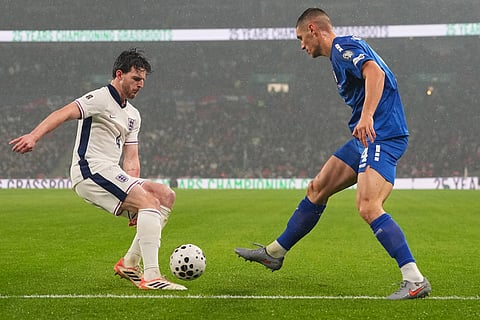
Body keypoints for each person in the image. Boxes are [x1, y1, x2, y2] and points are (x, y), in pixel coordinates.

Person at [235, 8, 431, 300]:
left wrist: (367, 116)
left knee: (368, 206)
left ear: (313, 29)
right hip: (366, 137)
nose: (302, 45)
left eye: (302, 38)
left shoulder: (342, 47)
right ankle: (274, 253)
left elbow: (375, 73)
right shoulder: (341, 55)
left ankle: (414, 278)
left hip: (382, 134)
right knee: (317, 189)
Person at [10, 48, 186, 291]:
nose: (140, 85)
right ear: (119, 74)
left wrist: (133, 194)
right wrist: (34, 136)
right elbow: (64, 113)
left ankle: (129, 263)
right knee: (148, 202)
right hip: (89, 170)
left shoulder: (133, 115)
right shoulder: (100, 98)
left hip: (111, 171)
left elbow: (131, 159)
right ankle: (151, 276)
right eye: (136, 79)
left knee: (166, 195)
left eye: (143, 80)